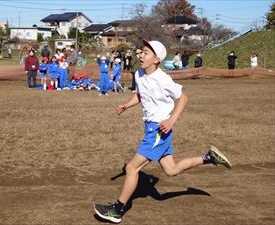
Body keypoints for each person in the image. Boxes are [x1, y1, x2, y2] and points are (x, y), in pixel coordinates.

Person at [93, 40, 232, 224]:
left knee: (132, 168)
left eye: (146, 53)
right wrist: (127, 105)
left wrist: (171, 120)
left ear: (157, 59)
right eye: (141, 52)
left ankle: (117, 210)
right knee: (171, 170)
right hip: (151, 128)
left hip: (159, 130)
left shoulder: (163, 79)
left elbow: (183, 98)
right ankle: (208, 157)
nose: (141, 55)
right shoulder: (140, 74)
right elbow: (141, 95)